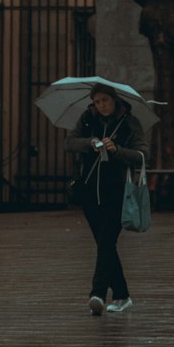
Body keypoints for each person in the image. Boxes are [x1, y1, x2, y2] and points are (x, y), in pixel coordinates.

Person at [66, 84, 147, 315]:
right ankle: (121, 295)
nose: (101, 106)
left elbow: (142, 155)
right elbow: (69, 142)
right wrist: (90, 142)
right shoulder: (88, 118)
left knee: (105, 241)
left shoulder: (129, 123)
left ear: (114, 100)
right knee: (105, 245)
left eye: (105, 101)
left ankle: (97, 294)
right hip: (89, 192)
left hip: (118, 192)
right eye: (97, 101)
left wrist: (117, 150)